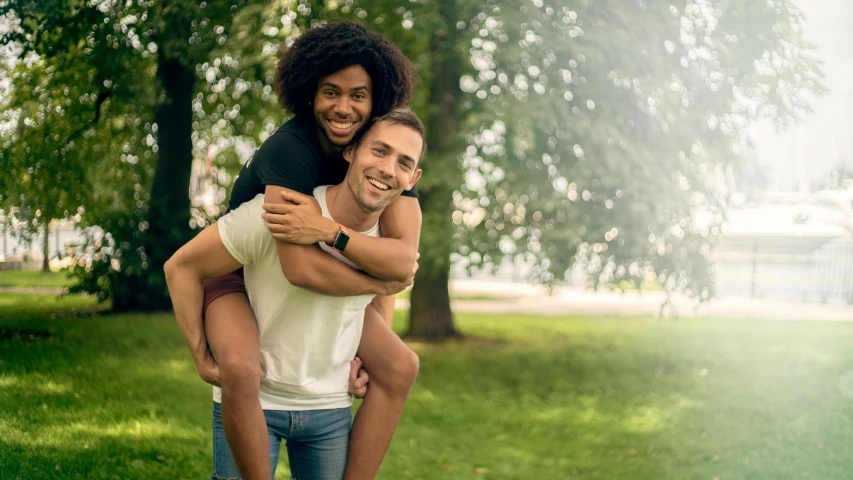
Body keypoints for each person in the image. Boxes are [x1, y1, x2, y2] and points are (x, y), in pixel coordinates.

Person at [169, 21, 423, 480]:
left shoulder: (384, 158)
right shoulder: (290, 150)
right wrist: (200, 352)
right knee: (241, 369)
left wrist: (361, 347)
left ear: (377, 100)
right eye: (330, 92)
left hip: (331, 266)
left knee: (401, 365)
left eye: (358, 95)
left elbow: (398, 259)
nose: (343, 107)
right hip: (242, 272)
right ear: (309, 93)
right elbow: (300, 267)